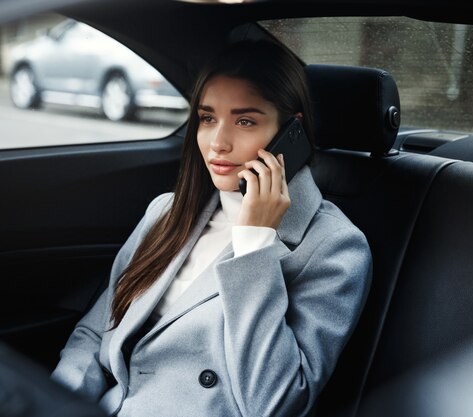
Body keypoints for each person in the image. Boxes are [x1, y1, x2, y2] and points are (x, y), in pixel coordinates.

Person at [51, 39, 372, 417]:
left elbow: (275, 403)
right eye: (207, 118)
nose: (218, 143)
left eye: (245, 121)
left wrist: (254, 244)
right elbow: (95, 333)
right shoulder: (166, 212)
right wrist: (54, 404)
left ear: (291, 131)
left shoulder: (335, 247)